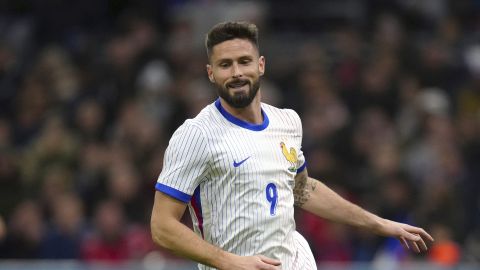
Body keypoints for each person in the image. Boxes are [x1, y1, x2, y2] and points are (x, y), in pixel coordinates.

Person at [150, 21, 434, 270]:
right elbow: (162, 227)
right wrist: (230, 262)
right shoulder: (196, 135)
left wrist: (380, 224)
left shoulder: (287, 122)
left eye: (244, 61)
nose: (236, 72)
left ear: (260, 65)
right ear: (211, 73)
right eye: (226, 65)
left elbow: (302, 189)